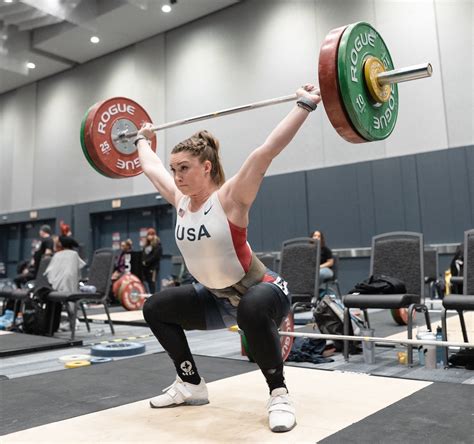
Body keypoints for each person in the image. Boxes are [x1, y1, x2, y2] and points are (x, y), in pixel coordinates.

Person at [134, 83, 321, 433]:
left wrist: (305, 105)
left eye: (184, 168)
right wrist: (142, 138)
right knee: (155, 307)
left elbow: (265, 152)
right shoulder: (179, 200)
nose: (176, 176)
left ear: (206, 167)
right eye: (173, 168)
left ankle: (278, 393)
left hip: (263, 290)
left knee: (251, 307)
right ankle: (190, 383)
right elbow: (149, 167)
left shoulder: (231, 198)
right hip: (217, 298)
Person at [141, 228, 162, 293]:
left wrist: (146, 261)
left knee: (152, 282)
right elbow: (143, 255)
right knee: (145, 281)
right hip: (145, 267)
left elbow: (155, 256)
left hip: (153, 267)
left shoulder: (157, 245)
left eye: (151, 234)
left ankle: (153, 296)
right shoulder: (146, 245)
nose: (149, 236)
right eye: (148, 234)